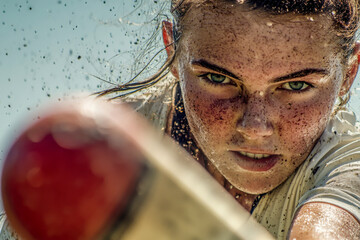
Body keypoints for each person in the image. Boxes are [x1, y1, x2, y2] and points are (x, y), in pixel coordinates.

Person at [1, 0, 360, 239]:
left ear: (348, 73)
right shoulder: (114, 146)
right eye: (218, 78)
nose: (255, 127)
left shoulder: (347, 161)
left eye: (296, 85)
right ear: (173, 52)